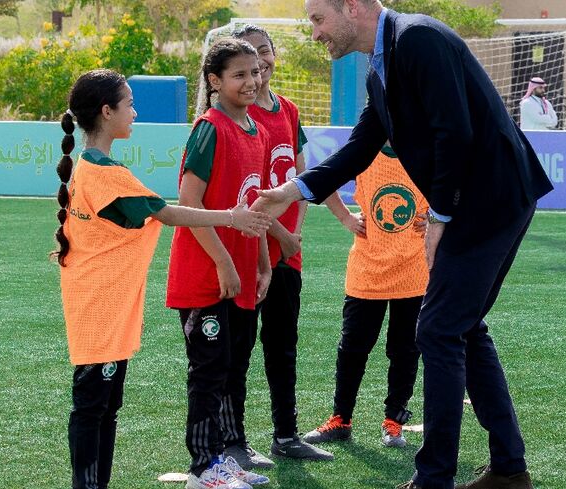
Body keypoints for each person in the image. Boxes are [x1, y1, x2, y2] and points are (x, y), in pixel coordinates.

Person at [252, 1, 554, 488]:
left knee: (436, 331)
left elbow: (453, 132)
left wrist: (439, 215)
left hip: (492, 200)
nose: (313, 33)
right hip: (481, 201)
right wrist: (292, 190)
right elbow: (360, 147)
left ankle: (435, 477)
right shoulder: (383, 65)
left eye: (317, 19)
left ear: (351, 7)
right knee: (461, 328)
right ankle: (508, 469)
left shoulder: (418, 40)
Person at [53, 69, 272, 489]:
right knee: (92, 404)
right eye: (129, 104)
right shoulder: (103, 173)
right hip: (100, 304)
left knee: (104, 405)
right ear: (106, 111)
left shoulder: (92, 165)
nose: (135, 113)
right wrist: (232, 217)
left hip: (102, 302)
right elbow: (166, 213)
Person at [165, 38, 275, 489]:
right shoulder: (209, 128)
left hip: (243, 273)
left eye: (255, 72)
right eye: (239, 75)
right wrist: (227, 264)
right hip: (207, 275)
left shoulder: (259, 130)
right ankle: (202, 468)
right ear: (215, 81)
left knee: (232, 368)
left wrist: (264, 264)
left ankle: (225, 457)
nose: (252, 81)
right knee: (208, 372)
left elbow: (258, 208)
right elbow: (188, 204)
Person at [231, 24, 334, 463]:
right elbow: (245, 190)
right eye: (250, 56)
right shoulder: (238, 116)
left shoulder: (289, 111)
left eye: (265, 52)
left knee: (282, 345)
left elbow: (303, 175)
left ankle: (286, 434)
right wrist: (282, 233)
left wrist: (297, 233)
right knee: (237, 351)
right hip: (249, 249)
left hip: (288, 251)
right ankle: (233, 440)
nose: (260, 64)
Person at [302, 145, 427, 451]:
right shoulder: (363, 150)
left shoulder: (425, 150)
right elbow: (319, 179)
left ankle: (394, 421)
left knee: (405, 349)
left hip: (413, 269)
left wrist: (435, 216)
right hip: (367, 269)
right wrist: (345, 218)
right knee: (353, 348)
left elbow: (456, 187)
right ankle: (340, 419)